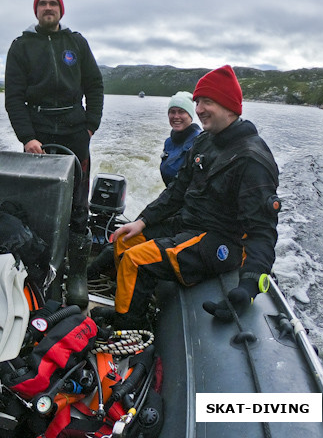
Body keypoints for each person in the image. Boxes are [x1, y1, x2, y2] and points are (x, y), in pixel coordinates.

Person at [105, 65, 280, 329]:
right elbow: (177, 191)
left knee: (136, 260)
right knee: (125, 242)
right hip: (188, 225)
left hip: (220, 241)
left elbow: (262, 232)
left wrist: (249, 286)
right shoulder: (204, 142)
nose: (198, 109)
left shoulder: (252, 159)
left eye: (206, 101)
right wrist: (142, 221)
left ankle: (129, 329)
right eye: (197, 102)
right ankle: (129, 306)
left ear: (229, 106)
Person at [4, 0, 104, 308]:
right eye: (43, 4)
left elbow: (95, 85)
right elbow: (14, 98)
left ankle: (76, 274)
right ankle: (44, 273)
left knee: (78, 202)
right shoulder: (21, 47)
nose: (48, 8)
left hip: (76, 131)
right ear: (36, 12)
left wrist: (91, 125)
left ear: (61, 11)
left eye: (54, 4)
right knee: (38, 204)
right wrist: (27, 137)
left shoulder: (76, 43)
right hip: (39, 133)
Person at [160, 90, 201, 186]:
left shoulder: (200, 142)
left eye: (181, 112)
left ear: (190, 116)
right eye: (172, 112)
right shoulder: (169, 142)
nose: (176, 116)